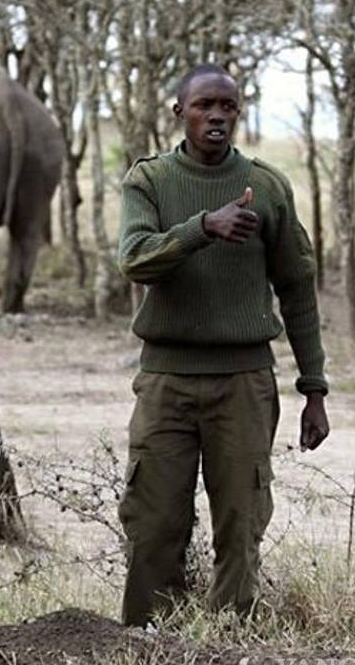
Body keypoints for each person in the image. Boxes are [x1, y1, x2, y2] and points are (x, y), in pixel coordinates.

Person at [116, 64, 330, 627]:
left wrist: (314, 389)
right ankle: (146, 639)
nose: (216, 117)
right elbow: (134, 260)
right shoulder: (150, 182)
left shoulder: (269, 187)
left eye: (228, 107)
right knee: (154, 518)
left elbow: (297, 290)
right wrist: (202, 228)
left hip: (245, 382)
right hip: (166, 380)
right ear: (178, 111)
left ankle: (230, 641)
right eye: (204, 106)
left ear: (239, 113)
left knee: (241, 519)